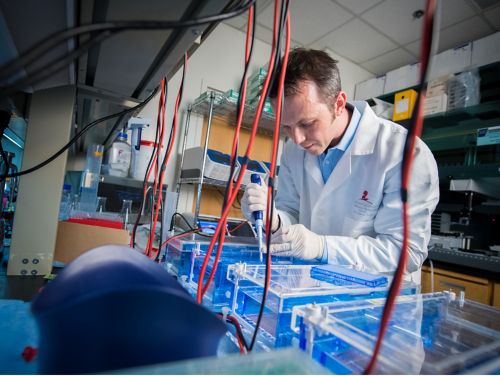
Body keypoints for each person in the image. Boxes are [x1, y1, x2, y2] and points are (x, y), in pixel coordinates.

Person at [241, 48, 439, 283]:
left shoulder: (403, 152)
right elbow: (292, 212)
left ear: (338, 103)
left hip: (374, 300)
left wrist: (322, 247)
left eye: (307, 123)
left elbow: (405, 252)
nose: (297, 139)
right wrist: (274, 221)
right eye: (285, 126)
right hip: (310, 287)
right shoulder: (294, 150)